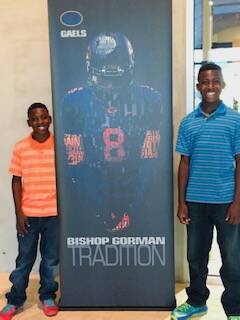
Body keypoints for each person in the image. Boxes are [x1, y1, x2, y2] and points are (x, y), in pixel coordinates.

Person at [61, 31, 162, 233]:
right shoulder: (73, 102)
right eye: (103, 79)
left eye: (116, 81)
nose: (110, 87)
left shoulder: (150, 100)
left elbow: (148, 163)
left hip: (135, 192)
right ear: (90, 70)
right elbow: (77, 163)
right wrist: (97, 207)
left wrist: (131, 207)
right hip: (92, 192)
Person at [171, 62, 240, 320]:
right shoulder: (188, 123)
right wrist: (182, 202)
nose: (210, 86)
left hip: (226, 202)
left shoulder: (235, 120)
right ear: (198, 86)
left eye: (215, 81)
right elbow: (184, 163)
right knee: (195, 256)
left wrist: (237, 203)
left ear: (222, 85)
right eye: (205, 82)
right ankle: (197, 301)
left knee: (232, 258)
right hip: (196, 202)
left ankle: (234, 308)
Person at [0, 103, 59, 320]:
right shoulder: (20, 147)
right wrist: (19, 214)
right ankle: (15, 299)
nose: (40, 122)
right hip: (29, 216)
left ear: (50, 119)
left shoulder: (58, 146)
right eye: (35, 119)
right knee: (24, 259)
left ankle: (47, 296)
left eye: (44, 118)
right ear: (29, 123)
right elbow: (16, 181)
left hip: (54, 215)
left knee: (51, 259)